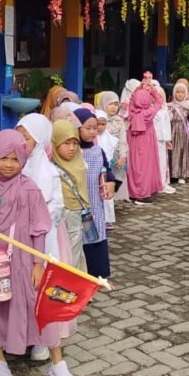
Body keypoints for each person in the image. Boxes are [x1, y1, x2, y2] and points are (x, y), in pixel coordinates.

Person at [0, 130, 76, 376]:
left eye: (15, 158)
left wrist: (38, 263)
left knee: (38, 305)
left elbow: (38, 228)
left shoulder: (29, 189)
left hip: (24, 258)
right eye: (4, 157)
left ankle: (57, 363)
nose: (9, 164)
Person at [15, 113, 76, 364]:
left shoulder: (48, 172)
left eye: (25, 138)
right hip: (16, 237)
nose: (20, 143)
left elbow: (56, 208)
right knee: (20, 285)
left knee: (42, 285)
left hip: (45, 237)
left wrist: (32, 220)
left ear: (38, 140)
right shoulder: (12, 165)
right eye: (17, 136)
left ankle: (43, 338)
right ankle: (20, 333)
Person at [72, 109, 114, 278]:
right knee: (78, 236)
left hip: (95, 202)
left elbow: (106, 170)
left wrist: (110, 182)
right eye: (87, 128)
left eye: (95, 128)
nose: (92, 132)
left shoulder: (98, 151)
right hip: (76, 202)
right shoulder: (70, 151)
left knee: (95, 233)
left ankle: (97, 272)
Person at [51, 120, 88, 272]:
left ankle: (75, 284)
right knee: (63, 250)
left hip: (76, 210)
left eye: (75, 143)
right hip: (58, 214)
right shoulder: (49, 167)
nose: (72, 148)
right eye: (66, 143)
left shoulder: (80, 160)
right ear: (55, 142)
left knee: (75, 248)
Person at [125, 73, 164, 203]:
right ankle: (142, 194)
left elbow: (131, 99)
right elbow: (159, 101)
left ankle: (132, 192)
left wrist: (139, 88)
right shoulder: (149, 111)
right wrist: (151, 89)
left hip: (133, 140)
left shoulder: (132, 111)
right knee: (145, 167)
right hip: (146, 139)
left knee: (134, 166)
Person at [97, 91, 130, 203]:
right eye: (110, 104)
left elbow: (122, 141)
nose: (113, 107)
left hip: (115, 157)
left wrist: (122, 157)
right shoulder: (98, 119)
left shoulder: (119, 121)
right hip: (101, 156)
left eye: (116, 105)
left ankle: (111, 203)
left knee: (115, 180)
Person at [169, 82, 189, 184]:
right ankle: (173, 174)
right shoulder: (171, 105)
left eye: (182, 92)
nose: (179, 94)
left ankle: (182, 175)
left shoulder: (187, 105)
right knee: (172, 152)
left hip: (183, 132)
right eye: (178, 92)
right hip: (173, 131)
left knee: (182, 152)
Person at [152, 85, 175, 195]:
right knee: (155, 162)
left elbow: (167, 126)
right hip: (153, 139)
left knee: (162, 162)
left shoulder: (164, 110)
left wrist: (167, 140)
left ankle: (162, 183)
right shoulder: (152, 110)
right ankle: (155, 183)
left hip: (162, 140)